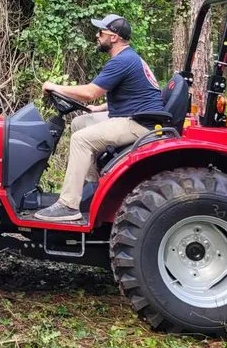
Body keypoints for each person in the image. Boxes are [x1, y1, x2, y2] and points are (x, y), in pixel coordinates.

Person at [35, 13, 163, 223]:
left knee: (81, 139)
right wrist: (101, 108)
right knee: (79, 123)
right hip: (136, 116)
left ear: (114, 37)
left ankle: (68, 205)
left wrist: (54, 87)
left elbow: (90, 92)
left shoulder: (123, 61)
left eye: (101, 32)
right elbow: (134, 94)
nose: (97, 36)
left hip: (140, 124)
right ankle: (93, 187)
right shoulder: (130, 58)